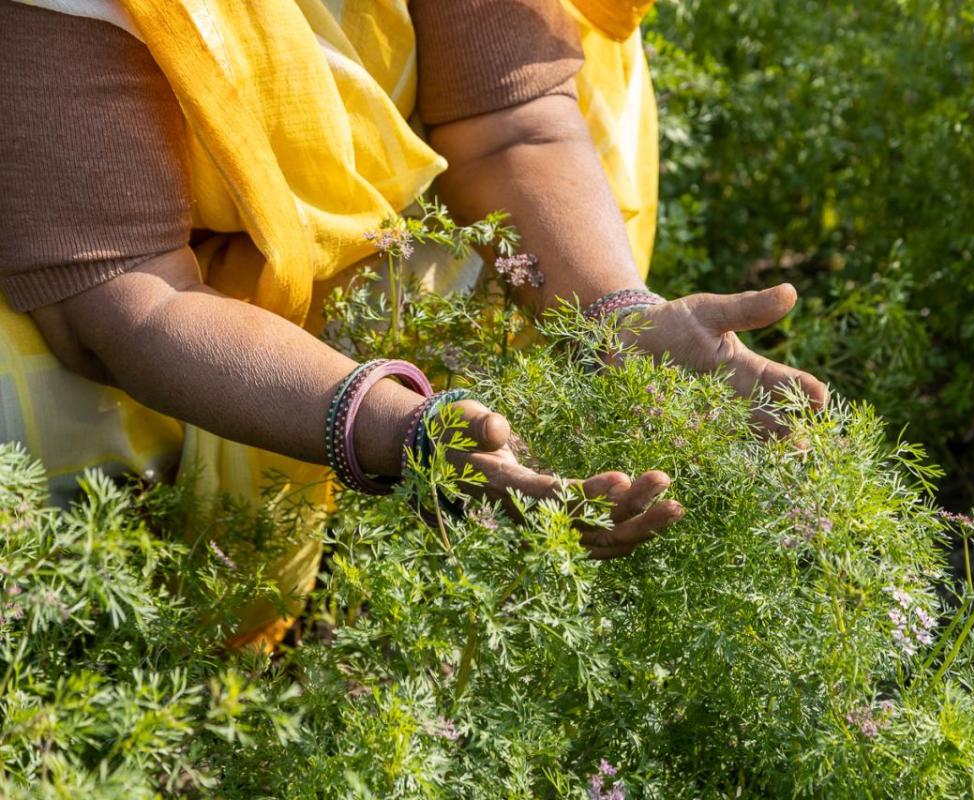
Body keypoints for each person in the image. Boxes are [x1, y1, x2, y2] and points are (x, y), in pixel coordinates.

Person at [0, 0, 825, 647]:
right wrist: (400, 433)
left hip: (351, 209)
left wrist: (616, 316)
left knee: (537, 212)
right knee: (36, 419)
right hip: (91, 263)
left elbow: (512, 122)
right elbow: (129, 302)